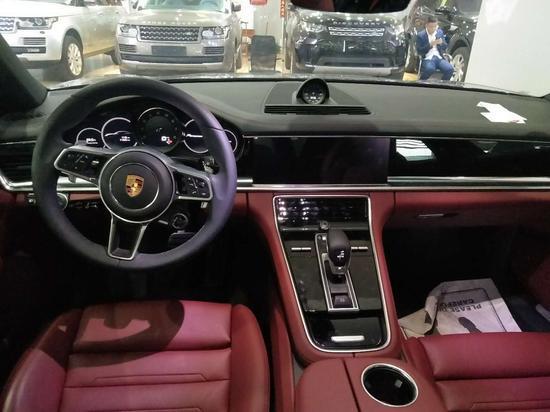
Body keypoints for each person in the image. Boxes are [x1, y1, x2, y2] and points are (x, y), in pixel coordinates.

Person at [416, 16, 454, 81]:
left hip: (439, 57)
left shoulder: (439, 32)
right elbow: (419, 51)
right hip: (427, 58)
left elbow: (445, 46)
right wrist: (430, 45)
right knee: (430, 69)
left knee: (449, 69)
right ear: (426, 26)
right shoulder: (421, 35)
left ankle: (442, 84)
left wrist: (441, 43)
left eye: (435, 26)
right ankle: (421, 82)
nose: (433, 29)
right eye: (431, 27)